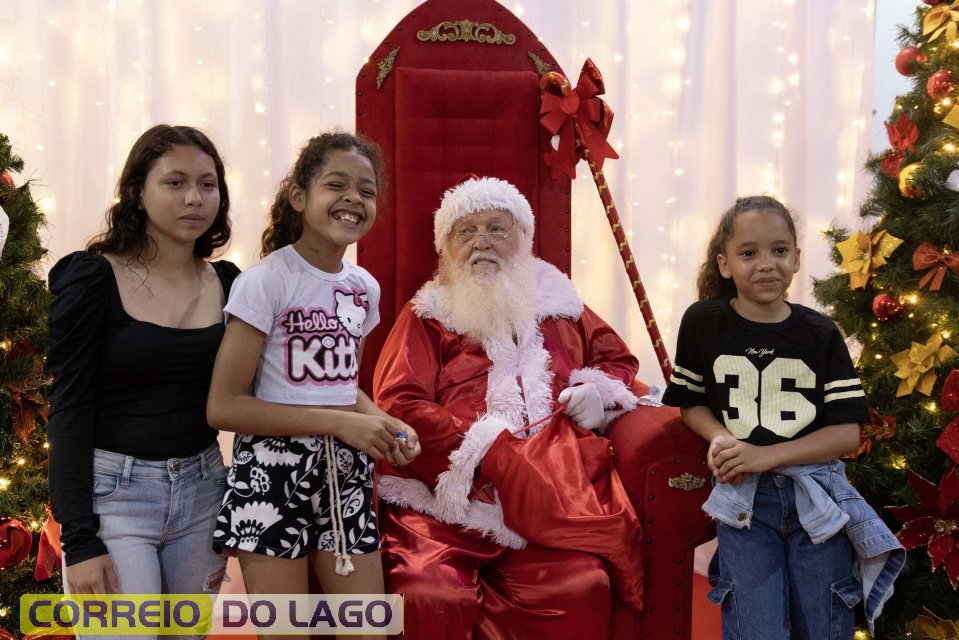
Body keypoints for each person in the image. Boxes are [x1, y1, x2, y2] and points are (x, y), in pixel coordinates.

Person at [373, 175, 646, 639]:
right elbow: (399, 403)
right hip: (444, 501)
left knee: (580, 587)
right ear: (446, 249)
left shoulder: (562, 306)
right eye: (466, 232)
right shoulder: (427, 316)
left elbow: (617, 360)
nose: (481, 242)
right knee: (429, 592)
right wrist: (486, 450)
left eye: (496, 229)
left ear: (523, 238)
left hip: (551, 496)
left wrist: (595, 391)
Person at [206, 132, 419, 639]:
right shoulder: (266, 281)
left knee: (367, 630)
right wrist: (340, 424)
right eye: (336, 185)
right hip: (271, 476)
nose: (353, 199)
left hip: (345, 475)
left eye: (366, 190)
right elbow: (224, 406)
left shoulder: (363, 288)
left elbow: (343, 387)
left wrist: (382, 420)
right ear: (299, 197)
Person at [661, 195, 904, 639]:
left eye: (779, 250)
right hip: (745, 503)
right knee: (755, 624)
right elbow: (690, 402)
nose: (766, 264)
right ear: (724, 264)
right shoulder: (703, 323)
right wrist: (720, 438)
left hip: (817, 497)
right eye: (748, 253)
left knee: (824, 622)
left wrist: (762, 456)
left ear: (796, 258)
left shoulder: (820, 333)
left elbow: (847, 435)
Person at [46, 125, 238, 607]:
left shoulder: (231, 283)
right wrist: (79, 539)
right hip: (113, 500)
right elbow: (69, 408)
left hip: (204, 491)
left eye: (207, 184)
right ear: (136, 192)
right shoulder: (94, 278)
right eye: (175, 183)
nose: (194, 198)